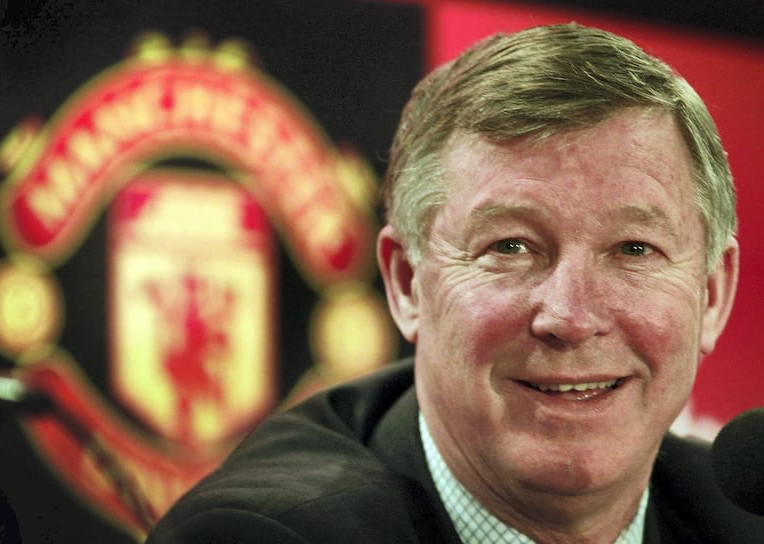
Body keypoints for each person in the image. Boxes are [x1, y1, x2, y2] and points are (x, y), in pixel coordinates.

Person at [145, 23, 763, 543]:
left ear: (712, 294)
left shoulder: (740, 518)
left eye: (634, 249)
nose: (571, 316)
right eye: (511, 247)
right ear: (409, 284)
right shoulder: (266, 536)